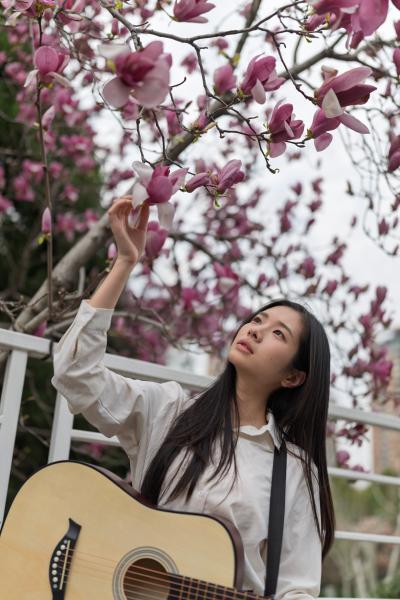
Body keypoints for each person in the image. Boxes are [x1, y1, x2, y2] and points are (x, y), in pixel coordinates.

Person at [51, 196, 336, 599]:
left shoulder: (293, 472)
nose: (255, 329)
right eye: (257, 319)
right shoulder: (168, 410)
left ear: (293, 376)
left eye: (278, 333)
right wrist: (125, 263)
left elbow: (297, 588)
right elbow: (74, 374)